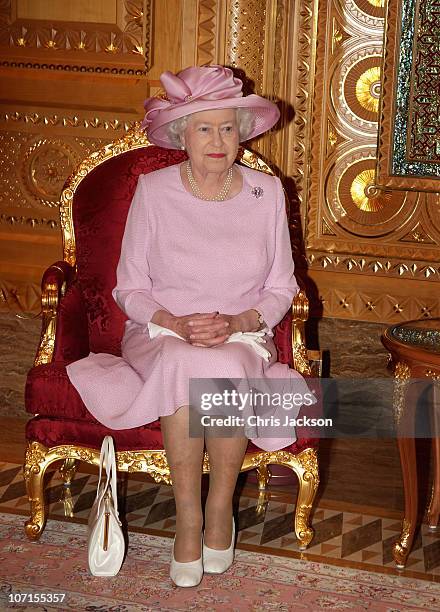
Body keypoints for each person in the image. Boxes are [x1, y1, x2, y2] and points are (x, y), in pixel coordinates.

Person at [67, 65, 313, 587]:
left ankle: (220, 504)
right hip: (162, 332)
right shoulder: (153, 190)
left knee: (222, 362)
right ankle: (189, 519)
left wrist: (241, 321)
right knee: (185, 359)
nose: (217, 140)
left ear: (242, 132)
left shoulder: (267, 193)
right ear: (183, 135)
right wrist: (174, 321)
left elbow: (281, 287)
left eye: (227, 127)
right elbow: (129, 287)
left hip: (242, 332)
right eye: (204, 128)